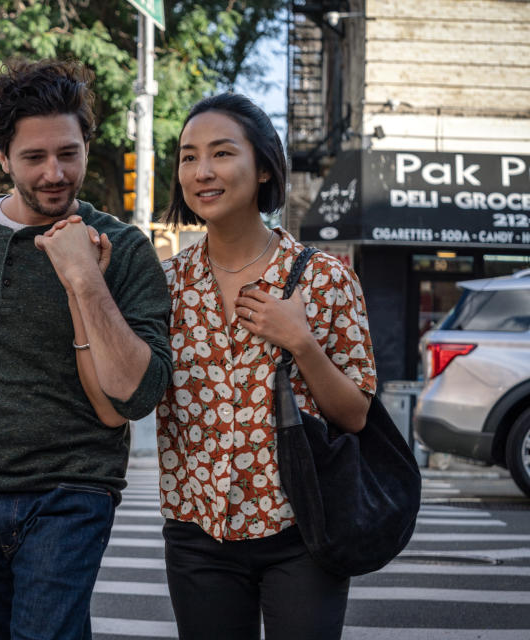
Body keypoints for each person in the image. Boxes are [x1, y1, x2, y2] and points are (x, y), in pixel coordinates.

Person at [52, 93, 377, 639]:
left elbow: (357, 416)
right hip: (197, 533)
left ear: (265, 166)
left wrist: (302, 342)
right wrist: (84, 292)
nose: (202, 171)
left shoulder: (325, 278)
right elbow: (118, 405)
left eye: (222, 153)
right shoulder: (165, 283)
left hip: (303, 529)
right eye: (188, 156)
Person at [0, 58, 171, 639]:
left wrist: (85, 277)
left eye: (68, 153)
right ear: (2, 158)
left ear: (86, 147)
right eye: (34, 157)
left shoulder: (123, 248)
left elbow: (139, 393)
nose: (55, 172)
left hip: (71, 492)